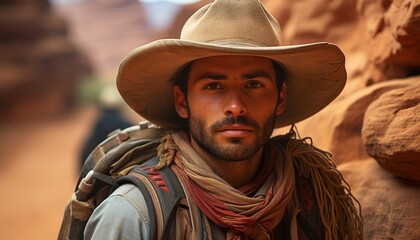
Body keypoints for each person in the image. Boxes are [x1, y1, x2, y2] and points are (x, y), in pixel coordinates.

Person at [84, 0, 363, 239]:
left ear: (280, 98)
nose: (235, 106)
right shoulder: (134, 215)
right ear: (182, 101)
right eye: (213, 87)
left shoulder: (310, 197)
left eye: (253, 85)